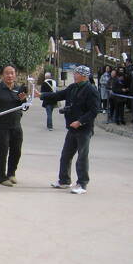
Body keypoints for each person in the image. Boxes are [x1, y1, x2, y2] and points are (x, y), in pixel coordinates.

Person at [41, 65, 100, 195]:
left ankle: (82, 184)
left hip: (84, 129)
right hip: (72, 128)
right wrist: (42, 95)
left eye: (77, 73)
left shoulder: (91, 90)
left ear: (84, 75)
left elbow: (94, 111)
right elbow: (58, 95)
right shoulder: (72, 87)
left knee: (82, 156)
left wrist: (80, 121)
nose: (74, 75)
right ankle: (64, 181)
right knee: (66, 155)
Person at [0, 66, 27, 187]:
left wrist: (24, 101)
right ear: (2, 75)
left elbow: (25, 107)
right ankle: (2, 177)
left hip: (16, 125)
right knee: (2, 152)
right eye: (7, 73)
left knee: (16, 151)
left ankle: (11, 173)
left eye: (12, 73)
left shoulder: (19, 89)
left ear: (15, 75)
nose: (10, 76)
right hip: (2, 127)